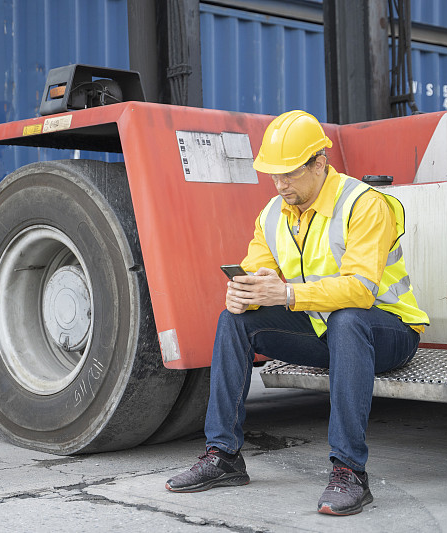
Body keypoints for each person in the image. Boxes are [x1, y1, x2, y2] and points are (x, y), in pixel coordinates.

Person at [165, 110, 429, 516]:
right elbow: (256, 272)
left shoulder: (364, 205)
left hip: (387, 331)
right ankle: (223, 457)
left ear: (320, 163)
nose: (280, 184)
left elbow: (360, 291)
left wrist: (286, 293)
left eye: (288, 173)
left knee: (347, 318)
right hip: (324, 330)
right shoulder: (272, 214)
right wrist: (244, 294)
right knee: (233, 322)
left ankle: (349, 471)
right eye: (273, 175)